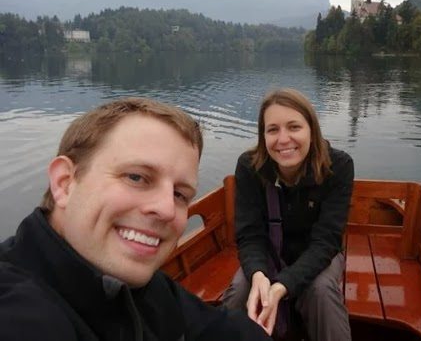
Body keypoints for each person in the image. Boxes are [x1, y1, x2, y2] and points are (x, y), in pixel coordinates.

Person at [0, 97, 271, 341]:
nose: (166, 209)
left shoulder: (140, 285)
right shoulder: (22, 316)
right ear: (65, 183)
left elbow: (225, 330)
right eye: (136, 177)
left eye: (179, 194)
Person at [222, 88, 353, 341]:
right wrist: (259, 275)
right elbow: (250, 235)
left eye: (294, 127)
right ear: (263, 136)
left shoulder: (338, 166)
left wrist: (283, 285)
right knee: (241, 290)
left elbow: (327, 241)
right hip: (267, 252)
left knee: (321, 291)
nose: (283, 139)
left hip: (317, 254)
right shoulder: (250, 167)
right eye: (273, 130)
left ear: (311, 130)